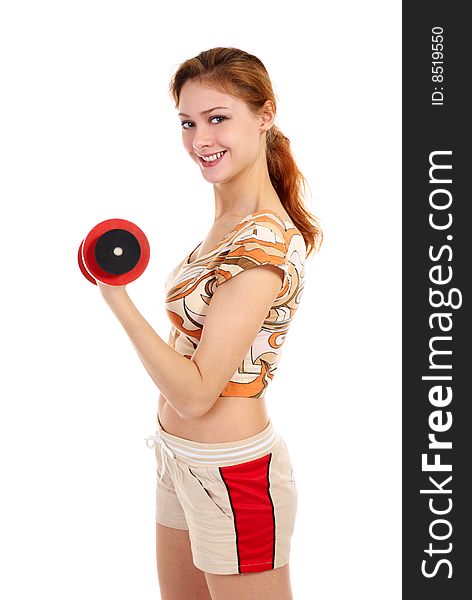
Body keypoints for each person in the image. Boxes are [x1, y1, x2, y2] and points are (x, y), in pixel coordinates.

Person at [97, 47, 322, 600]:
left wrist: (115, 295)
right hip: (178, 459)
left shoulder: (263, 243)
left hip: (234, 473)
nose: (201, 140)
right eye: (188, 123)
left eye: (218, 118)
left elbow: (198, 394)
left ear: (265, 114)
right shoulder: (226, 220)